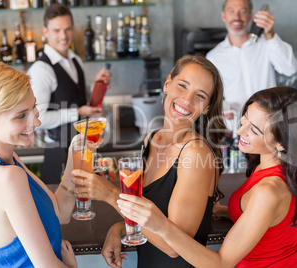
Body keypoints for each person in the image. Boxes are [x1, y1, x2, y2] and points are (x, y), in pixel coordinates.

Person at [117, 87, 297, 267]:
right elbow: (264, 220)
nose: (239, 130)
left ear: (282, 143)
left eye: (253, 130)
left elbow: (220, 263)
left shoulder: (268, 191)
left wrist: (160, 224)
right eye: (243, 120)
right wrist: (220, 211)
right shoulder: (274, 168)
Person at [71, 54, 227, 267]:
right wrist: (119, 227)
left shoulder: (195, 154)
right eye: (182, 86)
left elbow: (173, 247)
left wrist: (110, 194)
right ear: (167, 84)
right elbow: (152, 219)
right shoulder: (152, 140)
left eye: (200, 96)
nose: (187, 100)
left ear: (207, 108)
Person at [0, 61, 79, 267]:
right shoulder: (8, 177)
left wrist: (75, 155)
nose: (36, 122)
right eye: (21, 116)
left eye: (33, 107)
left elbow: (60, 212)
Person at [27, 3, 111, 184]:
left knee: (87, 206)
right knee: (62, 208)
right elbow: (37, 119)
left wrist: (96, 87)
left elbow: (76, 97)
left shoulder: (75, 60)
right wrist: (79, 112)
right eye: (56, 30)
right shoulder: (42, 69)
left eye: (67, 29)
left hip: (82, 147)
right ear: (45, 31)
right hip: (59, 152)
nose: (63, 36)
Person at [206, 0, 297, 130]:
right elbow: (212, 96)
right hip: (236, 127)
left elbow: (291, 69)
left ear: (251, 16)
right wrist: (220, 110)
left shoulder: (266, 43)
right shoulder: (213, 57)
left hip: (270, 124)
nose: (237, 17)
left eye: (243, 11)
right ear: (224, 16)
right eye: (231, 11)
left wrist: (270, 34)